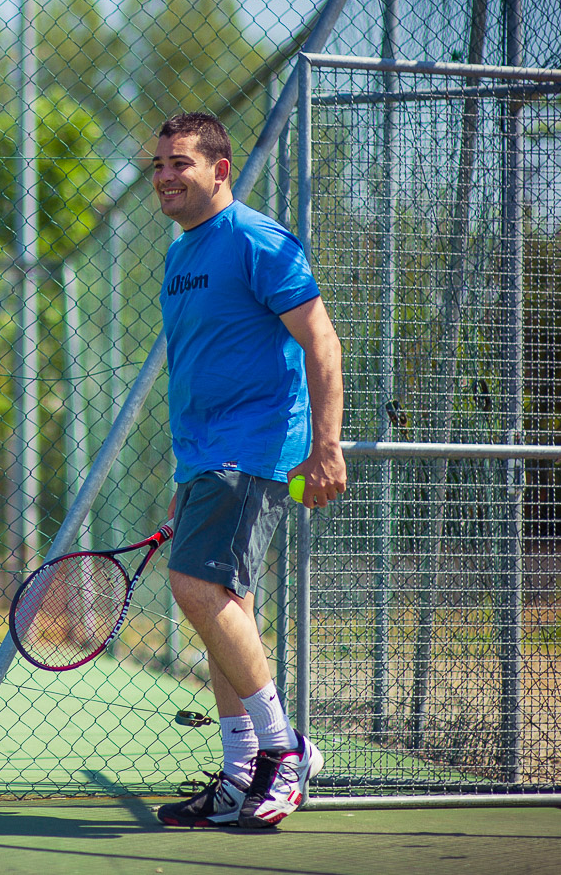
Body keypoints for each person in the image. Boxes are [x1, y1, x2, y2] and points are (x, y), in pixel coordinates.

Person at [149, 112, 346, 829]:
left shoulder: (259, 240)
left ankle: (283, 753)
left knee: (196, 587)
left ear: (220, 170)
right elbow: (197, 372)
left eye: (181, 164)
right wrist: (180, 486)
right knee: (224, 613)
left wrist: (326, 446)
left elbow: (321, 341)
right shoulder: (179, 256)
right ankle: (238, 776)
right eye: (159, 166)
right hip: (203, 459)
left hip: (255, 449)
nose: (166, 177)